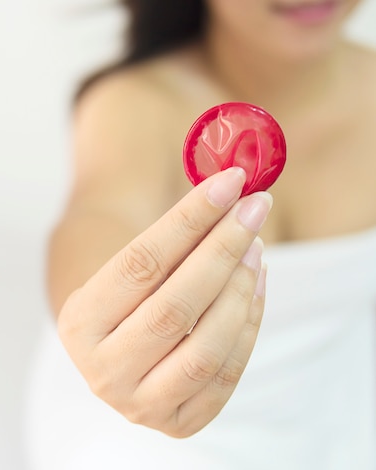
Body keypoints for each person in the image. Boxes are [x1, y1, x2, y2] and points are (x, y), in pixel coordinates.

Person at [25, 1, 376, 469]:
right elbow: (96, 219)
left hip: (346, 401)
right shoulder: (132, 104)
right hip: (152, 430)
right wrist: (101, 329)